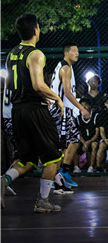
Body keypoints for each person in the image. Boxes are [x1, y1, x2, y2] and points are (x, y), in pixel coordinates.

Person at [1, 14, 65, 213]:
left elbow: (11, 84)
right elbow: (38, 85)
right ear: (36, 30)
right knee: (54, 157)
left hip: (17, 110)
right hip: (35, 110)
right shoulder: (35, 54)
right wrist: (56, 98)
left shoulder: (11, 53)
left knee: (26, 158)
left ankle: (3, 181)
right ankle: (43, 201)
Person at [48, 43, 90, 190]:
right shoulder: (65, 68)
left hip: (63, 110)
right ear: (66, 53)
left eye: (78, 51)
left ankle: (62, 173)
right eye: (74, 51)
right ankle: (56, 177)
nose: (77, 53)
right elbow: (66, 92)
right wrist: (82, 108)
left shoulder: (65, 67)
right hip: (60, 110)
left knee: (72, 141)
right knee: (63, 145)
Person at [74, 99, 99, 173]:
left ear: (90, 106)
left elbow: (97, 134)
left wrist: (88, 142)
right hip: (83, 140)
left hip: (93, 139)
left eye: (86, 105)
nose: (84, 107)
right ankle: (76, 167)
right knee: (74, 145)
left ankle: (91, 167)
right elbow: (78, 134)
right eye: (82, 105)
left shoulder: (95, 116)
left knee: (94, 145)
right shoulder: (78, 118)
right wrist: (84, 143)